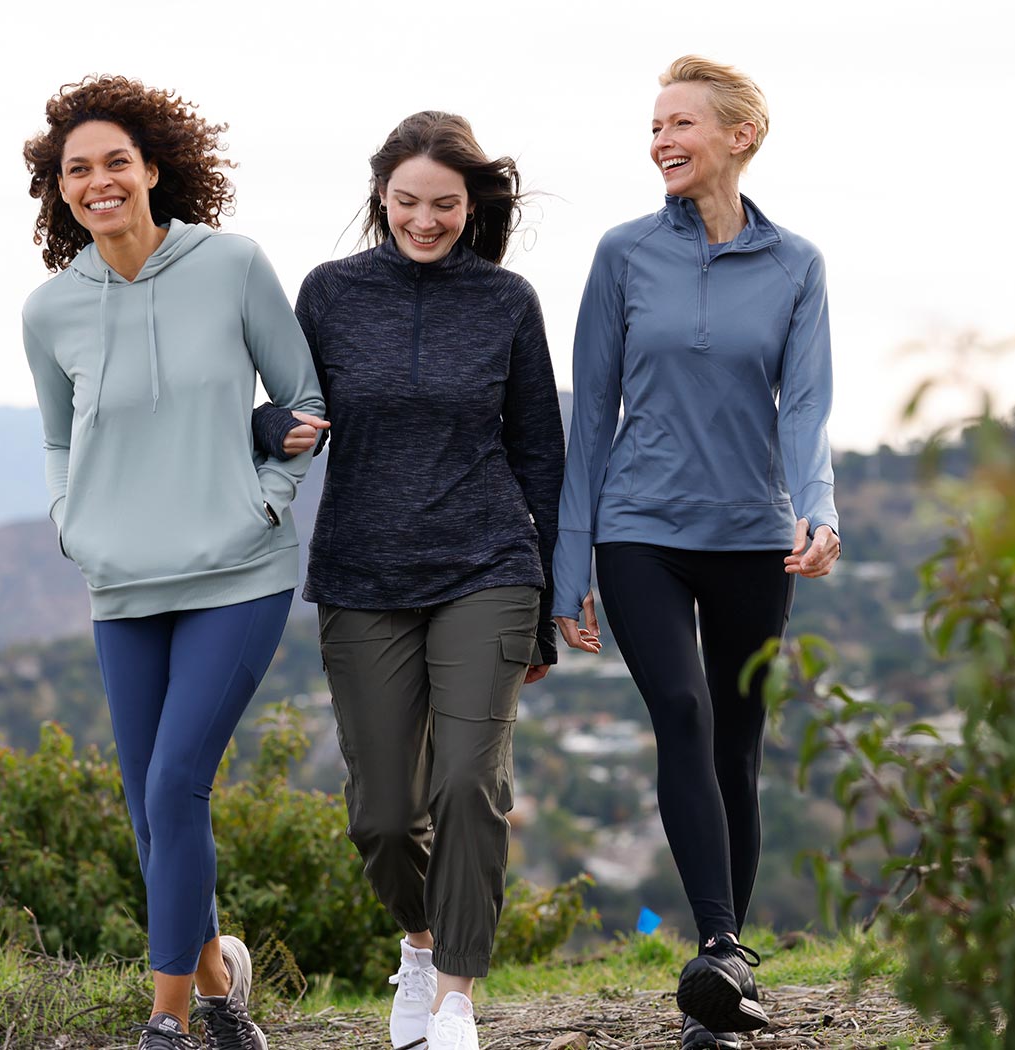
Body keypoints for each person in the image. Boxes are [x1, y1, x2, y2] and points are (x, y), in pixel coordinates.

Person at [20, 75, 323, 1050]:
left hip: (239, 573)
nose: (99, 181)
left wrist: (265, 502)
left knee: (175, 782)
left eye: (116, 162)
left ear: (155, 169)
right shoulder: (49, 310)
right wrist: (70, 518)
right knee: (149, 806)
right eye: (78, 169)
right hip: (122, 581)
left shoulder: (230, 265)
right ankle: (223, 985)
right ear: (59, 189)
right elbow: (59, 439)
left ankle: (168, 1020)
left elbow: (306, 393)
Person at [254, 111, 563, 1050]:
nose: (425, 221)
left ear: (472, 204)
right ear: (379, 198)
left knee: (468, 783)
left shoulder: (507, 301)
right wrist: (275, 432)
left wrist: (544, 607)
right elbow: (281, 407)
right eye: (406, 203)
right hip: (364, 573)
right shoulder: (329, 294)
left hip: (488, 568)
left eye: (445, 205)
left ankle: (457, 1000)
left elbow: (539, 455)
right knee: (386, 817)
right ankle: (422, 948)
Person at [551, 57, 842, 1050]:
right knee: (681, 709)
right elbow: (589, 415)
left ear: (738, 137)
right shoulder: (624, 254)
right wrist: (569, 561)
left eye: (680, 123)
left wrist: (818, 509)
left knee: (738, 745)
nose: (661, 140)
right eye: (655, 125)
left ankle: (728, 982)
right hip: (640, 529)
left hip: (753, 536)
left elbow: (804, 405)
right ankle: (719, 945)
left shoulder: (796, 264)